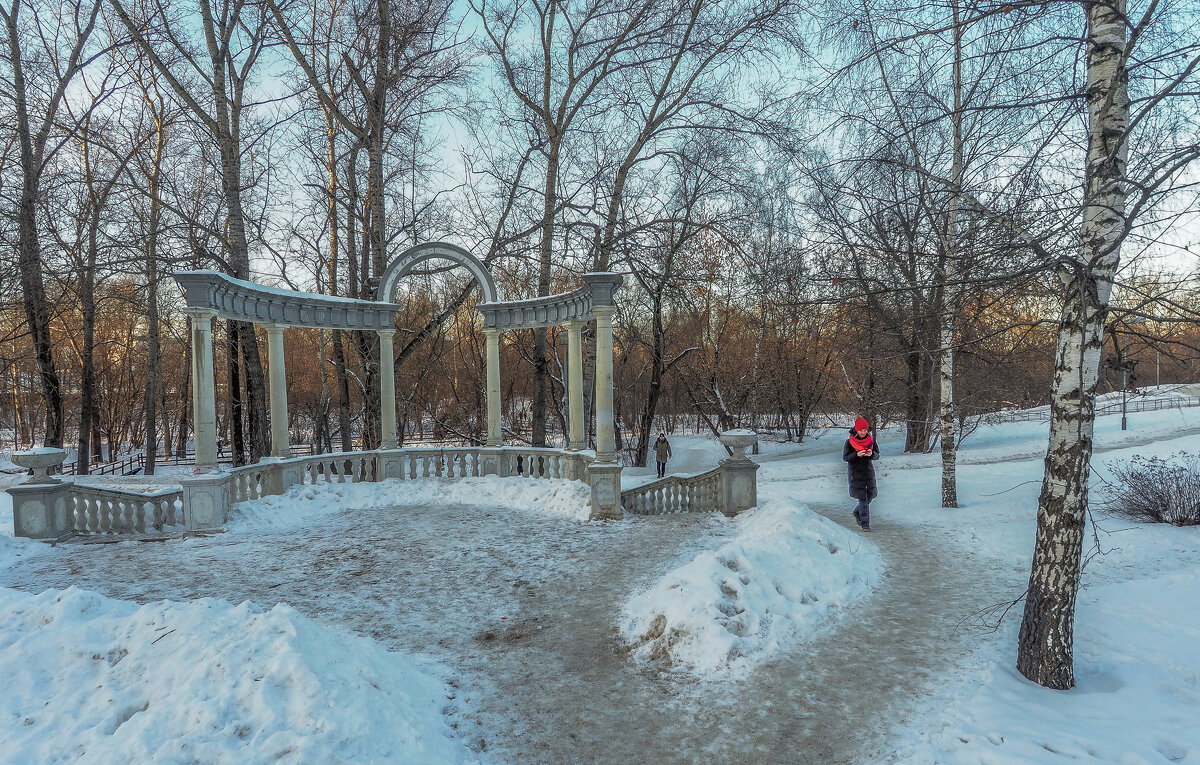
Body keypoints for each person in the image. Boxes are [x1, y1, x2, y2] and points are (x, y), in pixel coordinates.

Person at [843, 417, 881, 531]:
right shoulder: (849, 442)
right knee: (863, 500)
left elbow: (877, 455)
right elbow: (845, 457)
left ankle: (856, 512)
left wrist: (871, 454)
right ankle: (865, 525)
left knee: (869, 497)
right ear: (856, 430)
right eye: (861, 430)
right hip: (856, 474)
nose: (863, 432)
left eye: (865, 430)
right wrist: (857, 454)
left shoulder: (871, 440)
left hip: (869, 473)